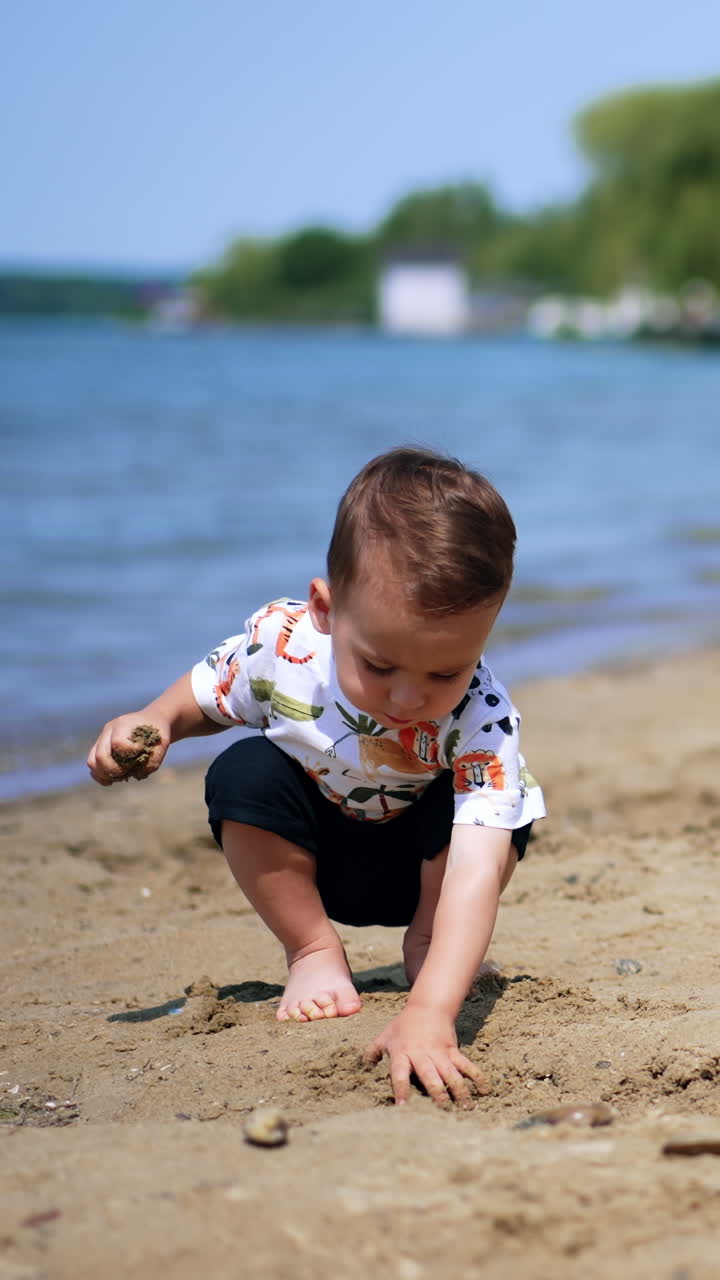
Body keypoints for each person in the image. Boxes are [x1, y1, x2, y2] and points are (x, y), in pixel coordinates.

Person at [88, 447, 545, 1107]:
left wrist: (432, 1011)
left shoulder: (483, 715)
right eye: (380, 665)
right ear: (326, 611)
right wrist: (154, 721)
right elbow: (203, 695)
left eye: (444, 673)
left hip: (428, 876)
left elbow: (477, 869)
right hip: (317, 857)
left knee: (505, 805)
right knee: (243, 771)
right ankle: (310, 951)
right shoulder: (285, 647)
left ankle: (428, 948)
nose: (407, 697)